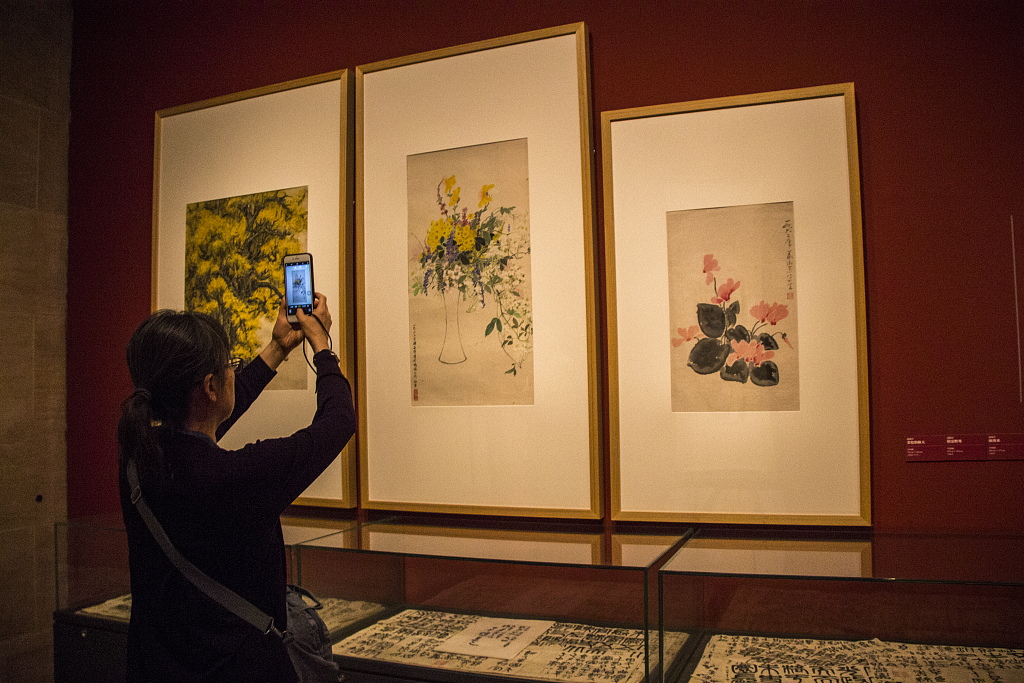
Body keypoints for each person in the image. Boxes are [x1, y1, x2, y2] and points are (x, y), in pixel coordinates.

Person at [117, 294, 355, 682]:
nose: (234, 374)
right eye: (230, 366)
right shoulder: (232, 478)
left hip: (158, 666)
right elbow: (338, 421)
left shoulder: (138, 459)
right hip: (236, 669)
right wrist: (323, 347)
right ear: (209, 386)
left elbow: (214, 413)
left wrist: (278, 348)